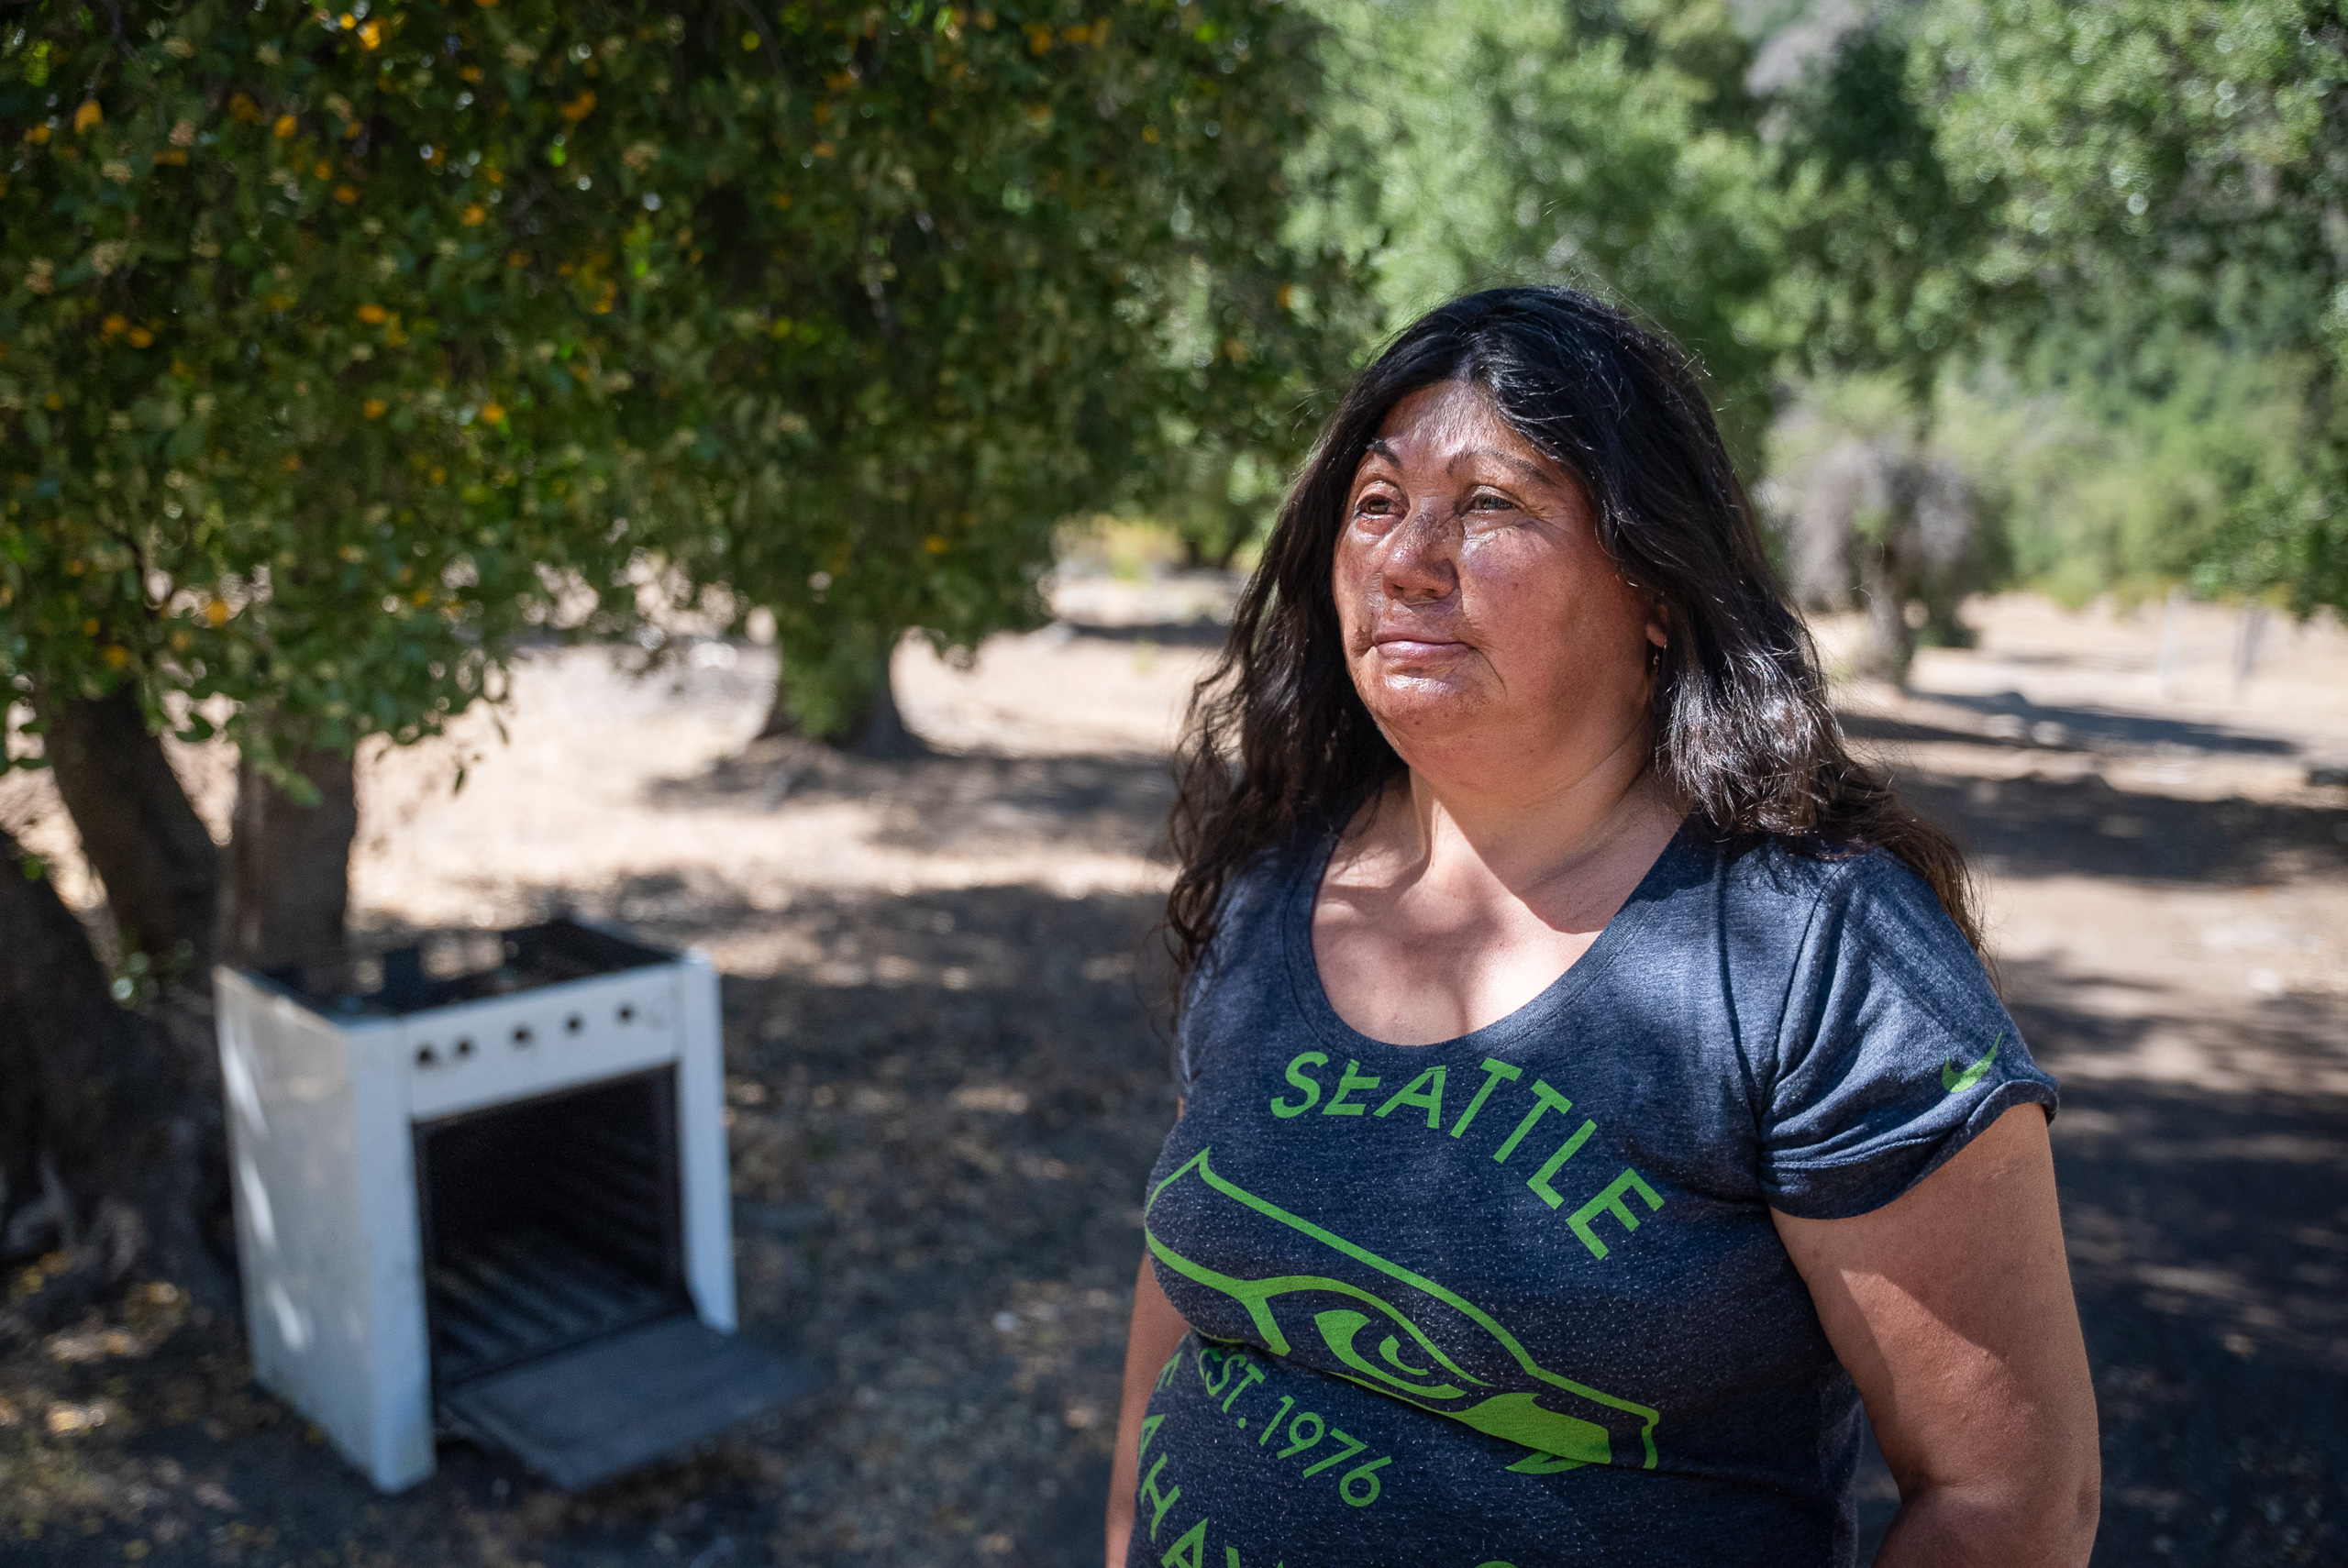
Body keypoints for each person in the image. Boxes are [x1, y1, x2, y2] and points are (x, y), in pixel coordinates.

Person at [1103, 288, 2099, 1568]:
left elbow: (2010, 1501)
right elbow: (1191, 1287)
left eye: (1492, 504)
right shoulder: (1276, 884)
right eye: (1377, 501)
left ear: (1654, 584)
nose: (1408, 555)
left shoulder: (1813, 959)